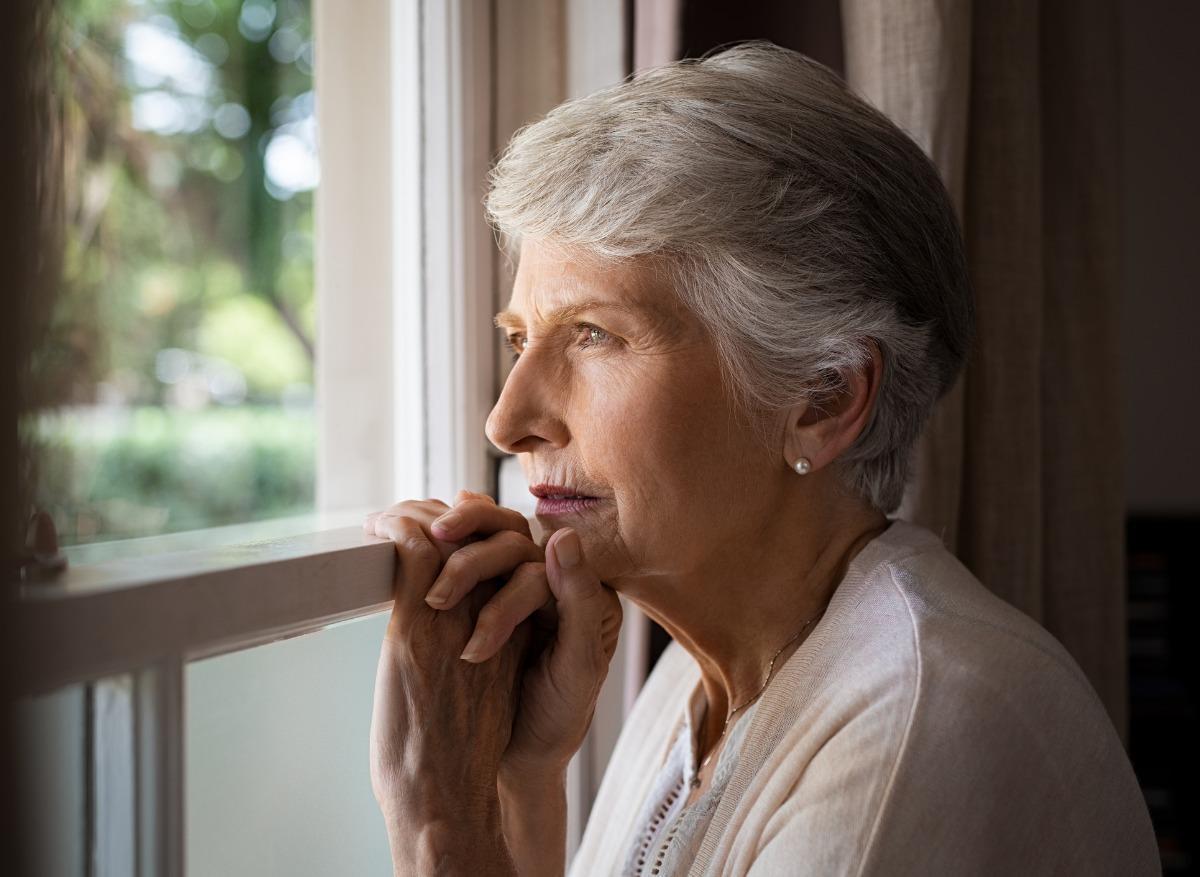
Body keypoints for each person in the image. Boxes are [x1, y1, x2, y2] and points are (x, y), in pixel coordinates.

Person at [362, 41, 1159, 876]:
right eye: (520, 340)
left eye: (594, 335)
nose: (507, 420)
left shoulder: (920, 720)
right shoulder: (691, 687)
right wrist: (522, 780)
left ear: (822, 399)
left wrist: (442, 830)